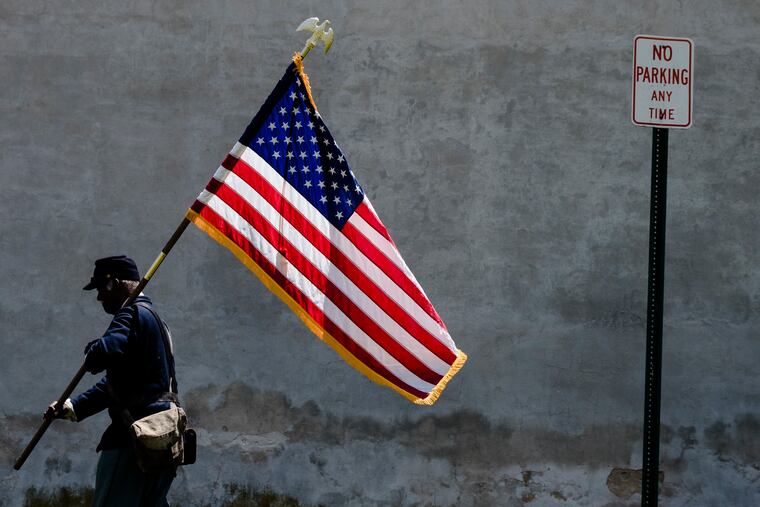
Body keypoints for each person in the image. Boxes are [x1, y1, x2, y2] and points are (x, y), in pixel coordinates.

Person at [47, 255, 178, 506]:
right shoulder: (155, 320)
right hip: (164, 436)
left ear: (112, 284)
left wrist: (91, 349)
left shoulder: (130, 315)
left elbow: (103, 353)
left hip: (134, 440)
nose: (99, 298)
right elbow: (117, 386)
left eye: (100, 289)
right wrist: (72, 406)